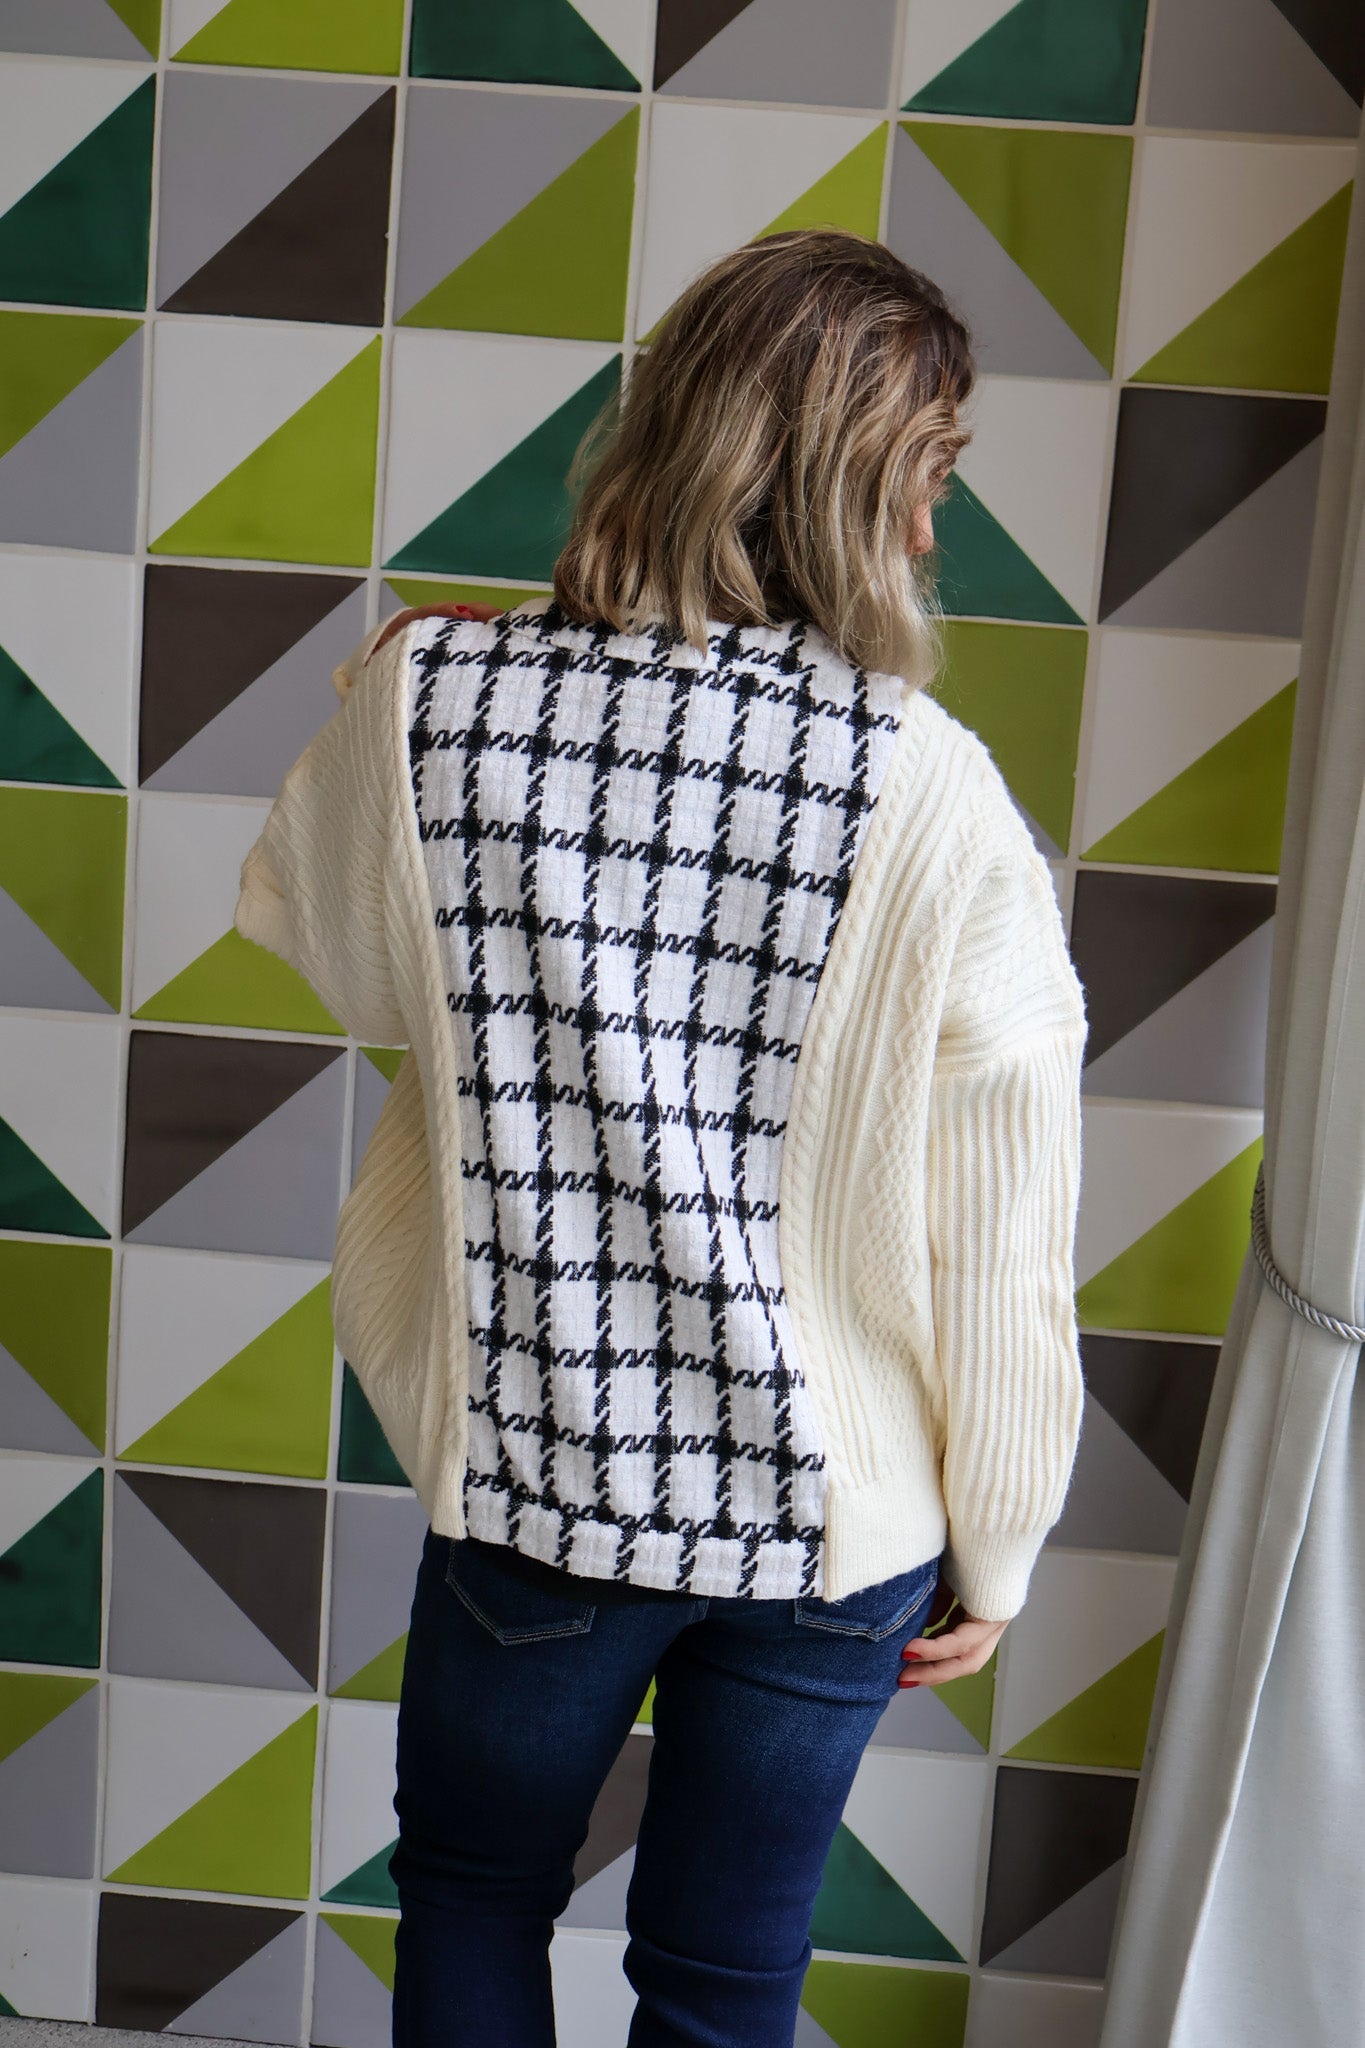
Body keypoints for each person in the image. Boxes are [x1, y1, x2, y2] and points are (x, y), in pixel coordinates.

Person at [235, 228, 1089, 2048]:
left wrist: (384, 690)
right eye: (928, 475)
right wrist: (1001, 1540)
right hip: (831, 1527)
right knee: (721, 1979)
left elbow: (358, 971)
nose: (932, 525)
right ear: (864, 487)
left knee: (473, 1897)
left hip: (540, 1481)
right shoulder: (929, 787)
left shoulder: (440, 705)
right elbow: (1002, 1222)